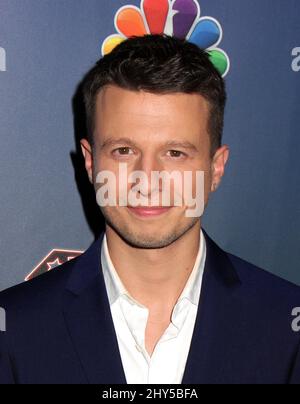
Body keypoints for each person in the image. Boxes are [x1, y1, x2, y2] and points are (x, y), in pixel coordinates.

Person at [0, 35, 299, 384]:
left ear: (216, 168)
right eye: (124, 151)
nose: (148, 180)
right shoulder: (14, 329)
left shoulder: (285, 327)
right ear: (90, 162)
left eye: (175, 153)